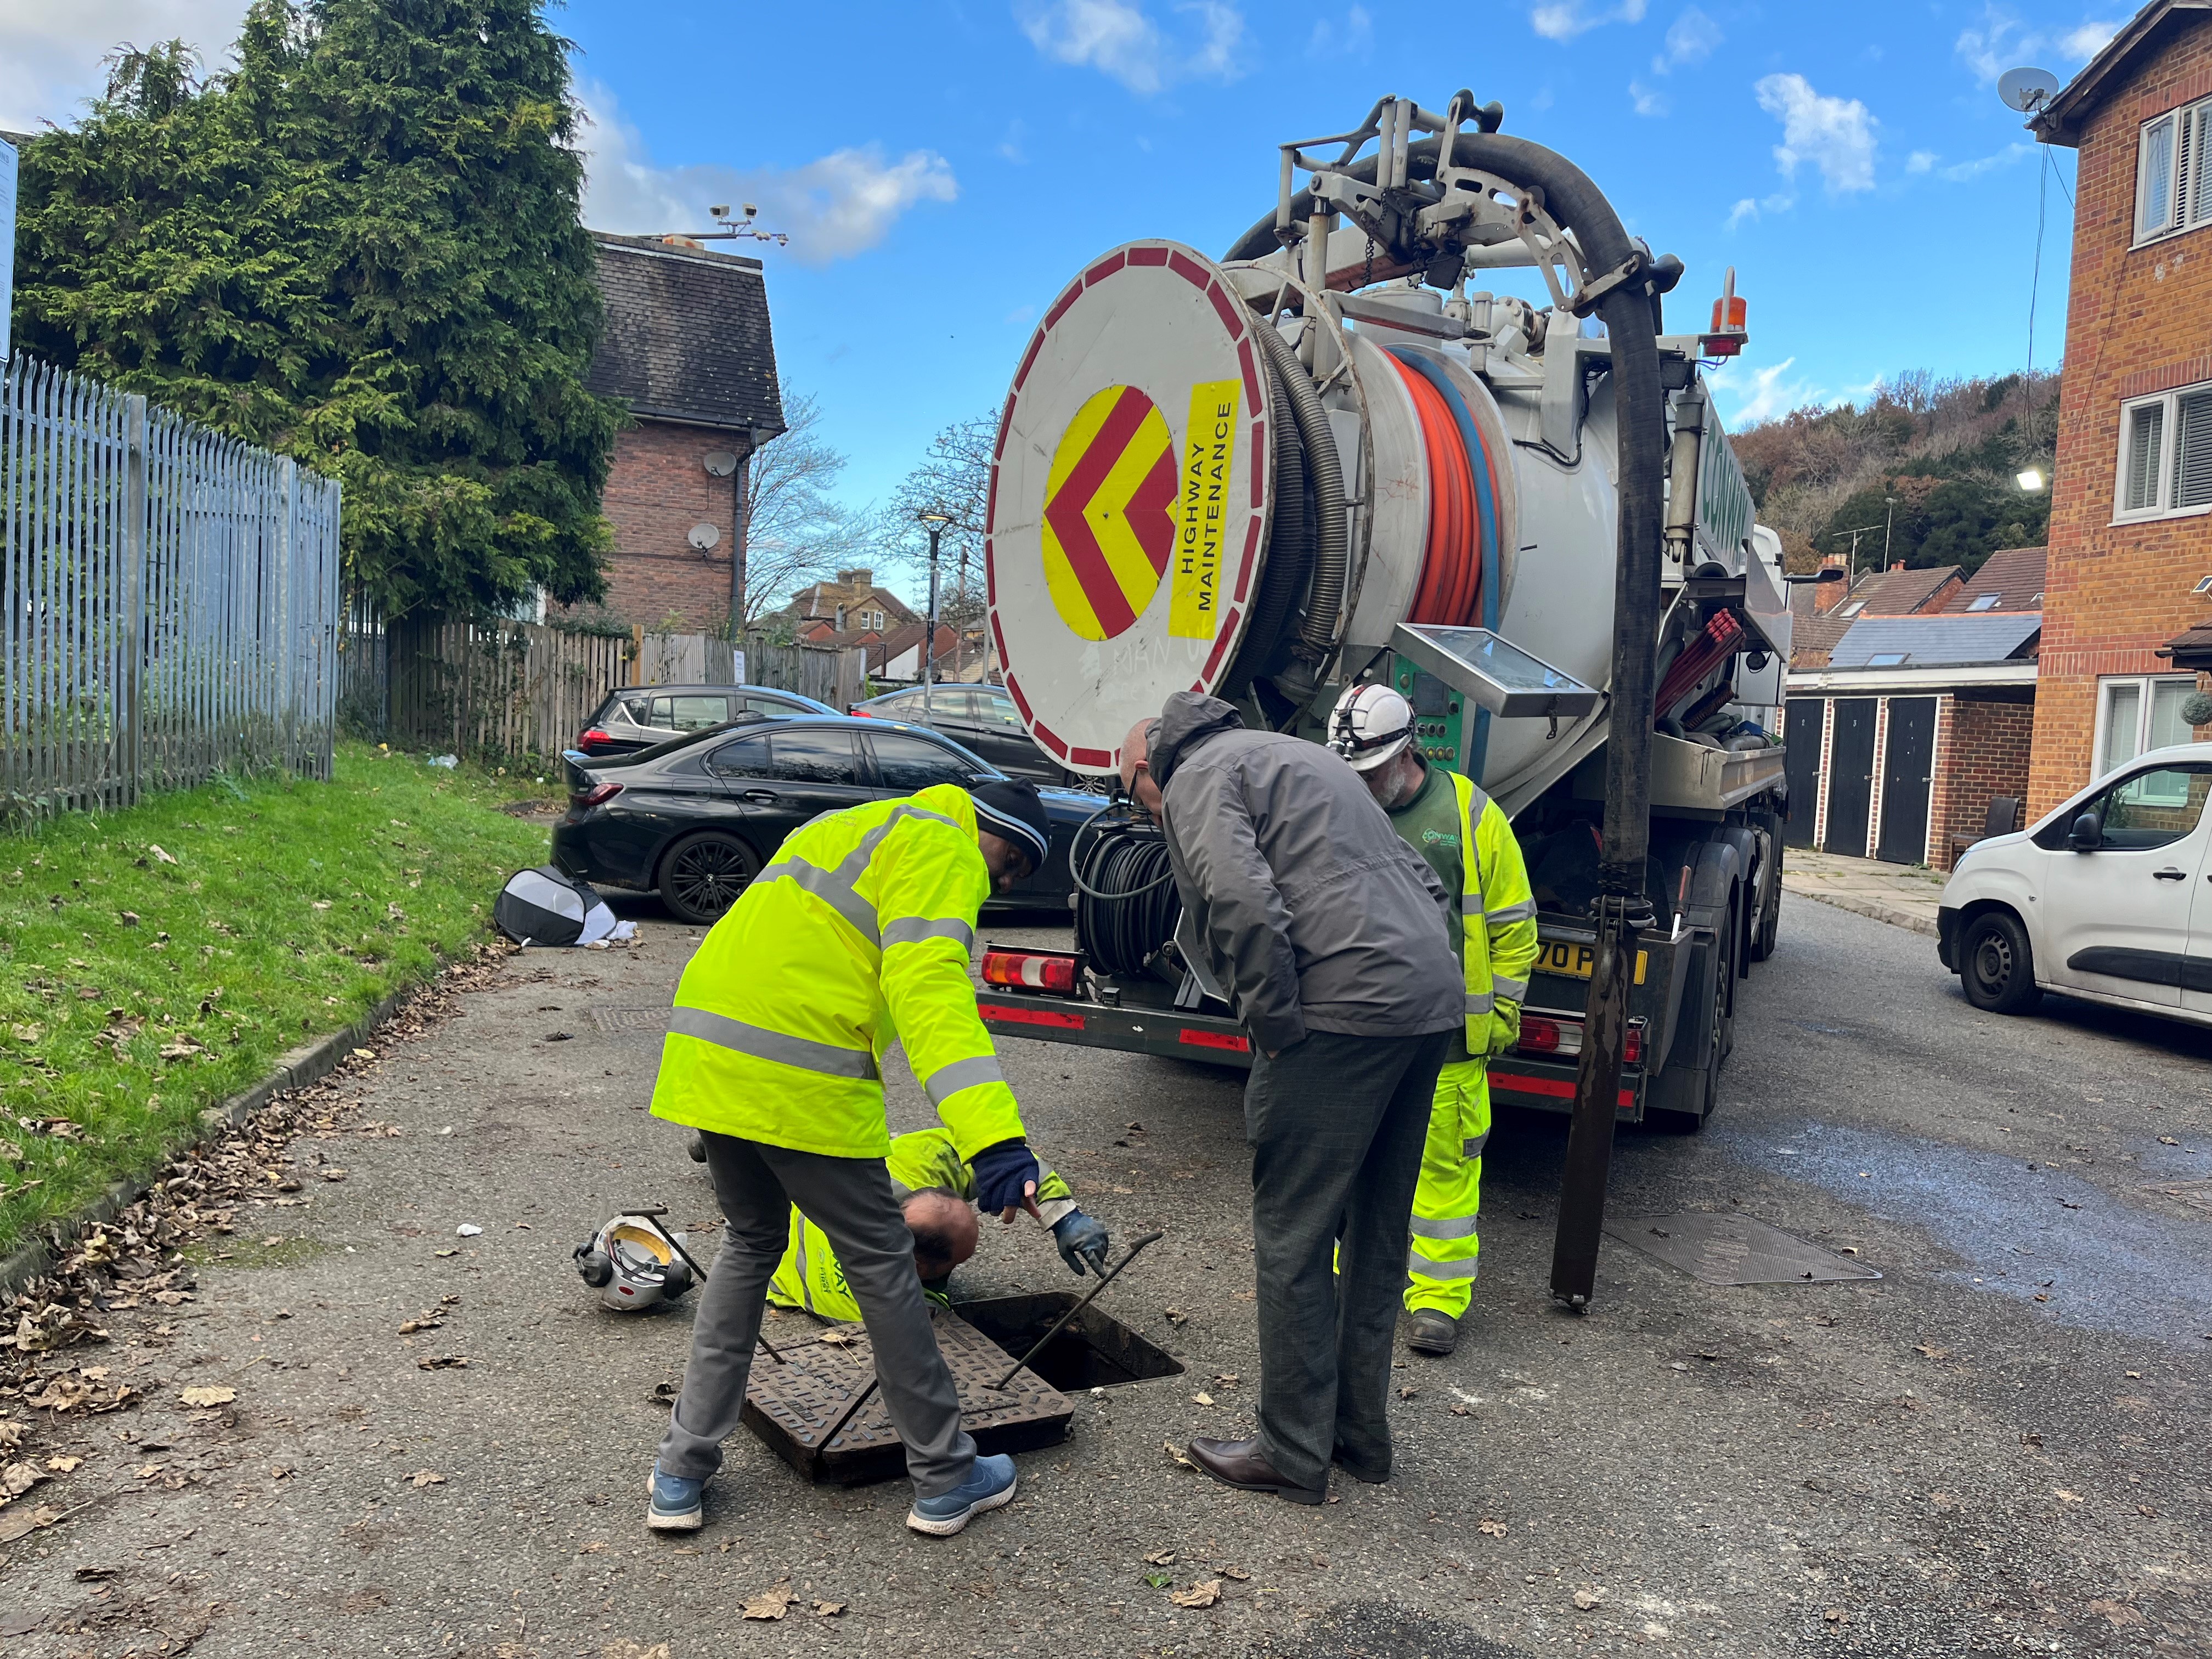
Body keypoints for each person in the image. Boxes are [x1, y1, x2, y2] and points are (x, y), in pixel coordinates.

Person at [645, 775, 1058, 1539]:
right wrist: (996, 1141)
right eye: (1012, 867)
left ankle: (679, 1472)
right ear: (993, 834)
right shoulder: (945, 847)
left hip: (712, 1057)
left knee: (750, 1243)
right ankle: (945, 1475)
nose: (999, 885)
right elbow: (931, 994)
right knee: (884, 1266)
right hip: (798, 1076)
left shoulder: (853, 825)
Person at [1120, 693, 1464, 1504]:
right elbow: (1420, 875)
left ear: (1147, 769)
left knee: (1296, 1234)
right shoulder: (1300, 755)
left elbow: (1237, 900)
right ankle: (1358, 1439)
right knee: (1378, 1231)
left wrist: (1273, 1022)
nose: (1148, 814)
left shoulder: (1200, 774)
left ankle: (1292, 1451)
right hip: (1425, 1003)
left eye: (1136, 798)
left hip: (1338, 1014)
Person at [1327, 684, 1538, 1357]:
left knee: (1442, 1172)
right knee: (1351, 1162)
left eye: (1370, 772)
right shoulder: (1339, 806)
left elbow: (1512, 921)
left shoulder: (1470, 814)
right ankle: (1347, 1276)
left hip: (1446, 1038)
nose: (1360, 785)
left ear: (1405, 751)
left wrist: (1501, 1009)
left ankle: (1437, 1301)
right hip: (1361, 1033)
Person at [769, 1126, 1111, 1322]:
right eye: (955, 1262)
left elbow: (988, 1152)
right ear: (916, 1265)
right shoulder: (883, 1310)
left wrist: (1063, 1215)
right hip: (791, 1281)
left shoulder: (909, 1165)